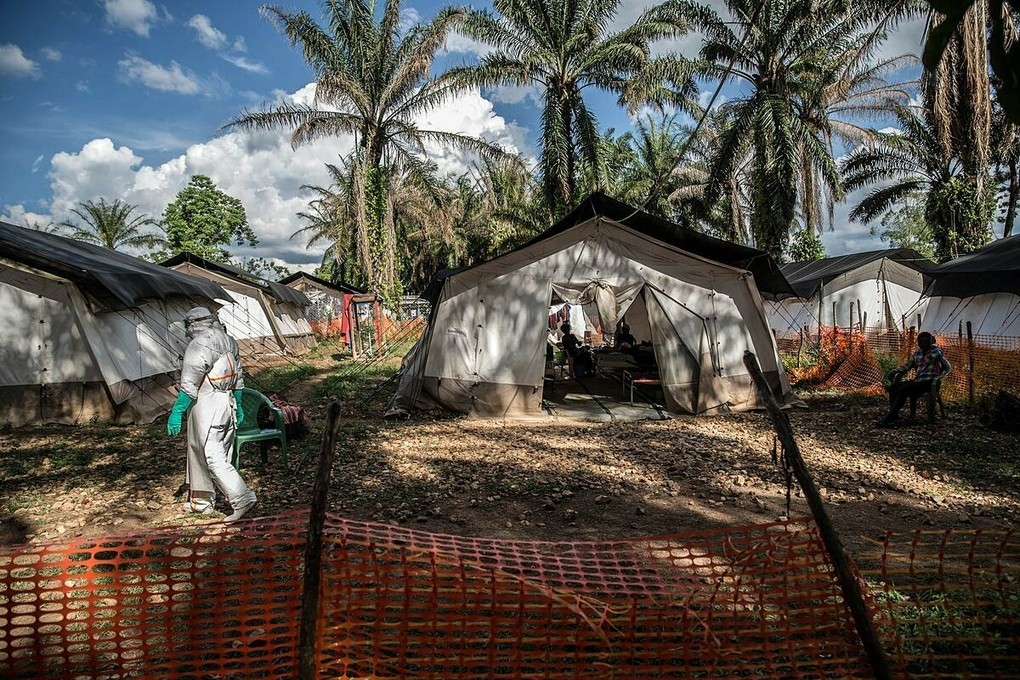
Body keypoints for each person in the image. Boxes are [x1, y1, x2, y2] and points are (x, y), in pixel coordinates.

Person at [167, 307, 258, 522]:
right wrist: (240, 404)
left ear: (193, 324)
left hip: (208, 403)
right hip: (227, 401)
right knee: (203, 450)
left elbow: (190, 384)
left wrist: (176, 411)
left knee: (211, 453)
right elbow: (239, 377)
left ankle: (242, 498)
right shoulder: (228, 340)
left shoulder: (198, 345)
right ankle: (202, 501)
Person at [879, 331, 951, 426]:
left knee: (904, 390)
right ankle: (894, 414)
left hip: (930, 383)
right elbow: (907, 365)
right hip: (918, 382)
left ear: (930, 342)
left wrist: (931, 348)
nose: (923, 344)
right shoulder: (917, 353)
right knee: (894, 388)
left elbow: (938, 354)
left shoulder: (936, 351)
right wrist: (896, 371)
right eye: (921, 342)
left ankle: (890, 416)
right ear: (918, 342)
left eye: (926, 342)